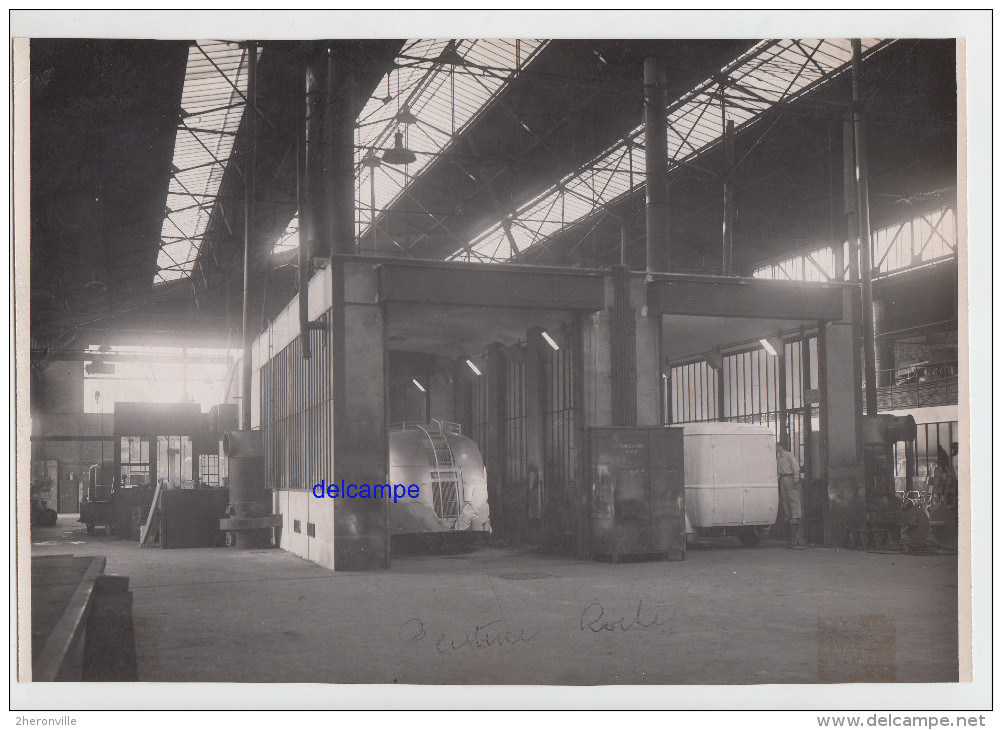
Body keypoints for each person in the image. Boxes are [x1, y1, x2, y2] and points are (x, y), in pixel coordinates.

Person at [776, 441, 806, 549]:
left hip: (790, 477)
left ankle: (796, 518)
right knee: (785, 501)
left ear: (780, 447)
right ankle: (790, 520)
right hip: (783, 479)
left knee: (793, 500)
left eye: (777, 447)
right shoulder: (779, 458)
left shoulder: (788, 455)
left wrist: (796, 478)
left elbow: (795, 466)